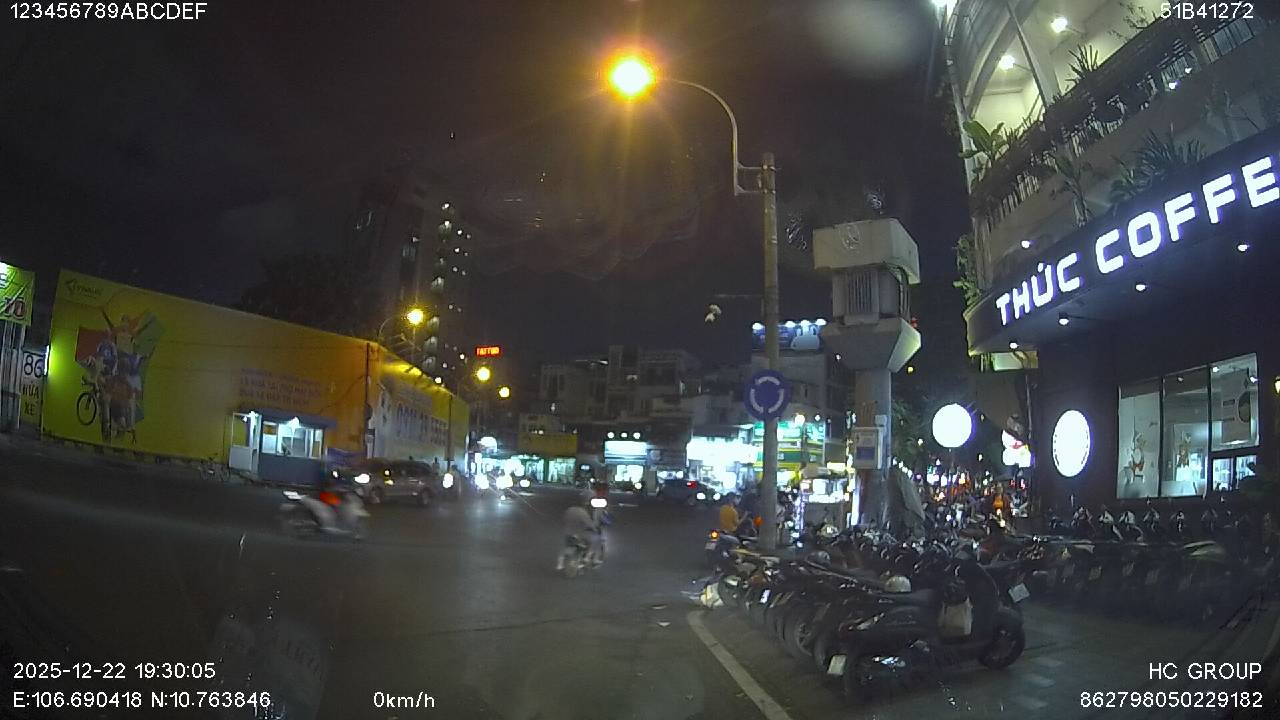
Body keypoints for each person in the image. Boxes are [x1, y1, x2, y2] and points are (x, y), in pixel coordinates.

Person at [558, 495, 602, 571]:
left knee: (566, 547)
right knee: (594, 540)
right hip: (579, 534)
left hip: (568, 533)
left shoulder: (569, 510)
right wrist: (595, 529)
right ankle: (586, 558)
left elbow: (564, 519)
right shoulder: (583, 513)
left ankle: (560, 564)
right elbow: (589, 524)